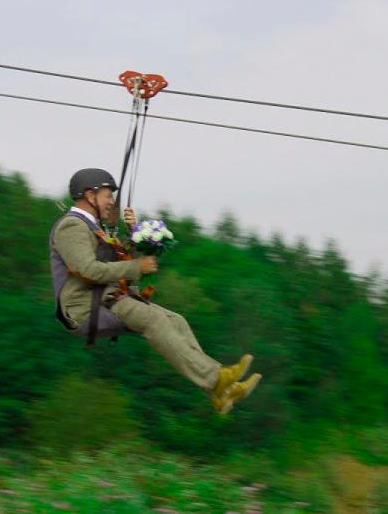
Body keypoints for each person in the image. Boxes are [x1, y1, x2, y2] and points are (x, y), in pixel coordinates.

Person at [49, 168, 260, 414]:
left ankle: (219, 391)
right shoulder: (72, 226)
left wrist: (133, 232)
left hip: (107, 300)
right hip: (85, 307)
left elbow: (111, 259)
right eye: (108, 196)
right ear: (89, 195)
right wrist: (135, 267)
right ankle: (215, 379)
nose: (111, 203)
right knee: (154, 319)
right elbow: (87, 269)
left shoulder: (94, 227)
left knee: (176, 321)